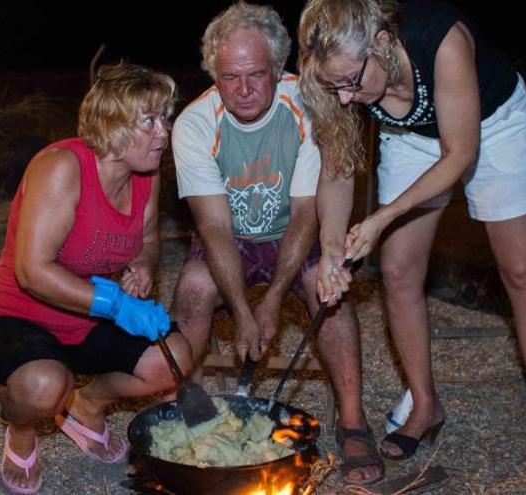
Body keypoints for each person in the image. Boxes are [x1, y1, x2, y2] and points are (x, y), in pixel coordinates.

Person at [298, 0, 526, 461]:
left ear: (381, 44)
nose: (344, 97)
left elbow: (460, 153)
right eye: (333, 85)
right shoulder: (338, 79)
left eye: (350, 82)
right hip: (409, 138)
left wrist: (382, 219)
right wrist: (329, 250)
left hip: (494, 124)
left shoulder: (441, 40)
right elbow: (338, 169)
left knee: (520, 270)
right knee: (399, 270)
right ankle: (425, 405)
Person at [170, 2, 382, 486]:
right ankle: (184, 406)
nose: (243, 90)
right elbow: (216, 229)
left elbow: (308, 212)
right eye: (229, 77)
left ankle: (352, 419)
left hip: (294, 230)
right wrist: (245, 312)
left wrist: (271, 300)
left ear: (278, 67)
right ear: (213, 73)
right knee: (195, 286)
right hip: (234, 239)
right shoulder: (195, 125)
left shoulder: (307, 105)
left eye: (256, 74)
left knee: (327, 283)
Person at [0, 62, 189, 494]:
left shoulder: (144, 177)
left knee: (176, 360)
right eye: (149, 119)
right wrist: (116, 305)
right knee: (43, 386)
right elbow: (32, 272)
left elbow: (147, 240)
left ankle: (86, 406)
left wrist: (142, 267)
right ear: (110, 124)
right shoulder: (61, 166)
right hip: (19, 316)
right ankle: (23, 430)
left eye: (165, 117)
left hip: (87, 320)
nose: (164, 131)